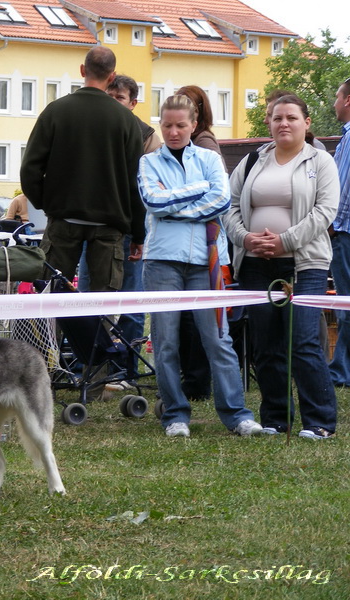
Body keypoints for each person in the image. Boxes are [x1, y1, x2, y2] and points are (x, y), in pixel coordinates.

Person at [139, 94, 262, 438]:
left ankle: (237, 415)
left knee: (218, 340)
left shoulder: (210, 157)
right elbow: (152, 201)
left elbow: (220, 201)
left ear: (194, 125)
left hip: (208, 263)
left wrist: (175, 204)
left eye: (180, 125)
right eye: (167, 125)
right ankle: (175, 415)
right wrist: (198, 190)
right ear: (160, 125)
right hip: (162, 261)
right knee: (165, 342)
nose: (173, 132)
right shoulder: (148, 163)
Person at [224, 94, 339, 439]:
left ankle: (320, 422)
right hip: (256, 266)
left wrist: (284, 241)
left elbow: (325, 212)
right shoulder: (251, 162)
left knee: (303, 341)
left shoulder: (321, 162)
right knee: (267, 345)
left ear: (306, 123)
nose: (283, 123)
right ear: (269, 124)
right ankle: (276, 419)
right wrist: (245, 239)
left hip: (304, 265)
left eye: (291, 117)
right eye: (277, 118)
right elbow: (229, 208)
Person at [21, 46, 144, 289]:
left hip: (63, 220)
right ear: (112, 76)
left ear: (82, 70)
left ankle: (57, 329)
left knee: (51, 296)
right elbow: (135, 182)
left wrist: (48, 203)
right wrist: (138, 233)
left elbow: (29, 170)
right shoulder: (127, 121)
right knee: (101, 307)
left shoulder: (55, 111)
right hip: (109, 226)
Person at [78, 74, 159, 386]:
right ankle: (92, 370)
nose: (112, 104)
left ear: (133, 103)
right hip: (91, 228)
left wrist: (137, 231)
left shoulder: (146, 136)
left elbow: (147, 188)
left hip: (129, 229)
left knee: (131, 301)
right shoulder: (91, 130)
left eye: (119, 98)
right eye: (108, 96)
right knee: (86, 300)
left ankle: (125, 371)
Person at [173, 85, 227, 402]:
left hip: (202, 240)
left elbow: (213, 192)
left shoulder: (204, 143)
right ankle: (191, 378)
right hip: (187, 240)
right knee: (184, 317)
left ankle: (196, 382)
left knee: (195, 319)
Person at [328, 78, 350, 387]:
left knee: (346, 304)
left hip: (345, 233)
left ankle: (341, 371)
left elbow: (343, 190)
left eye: (337, 97)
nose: (334, 103)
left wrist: (332, 224)